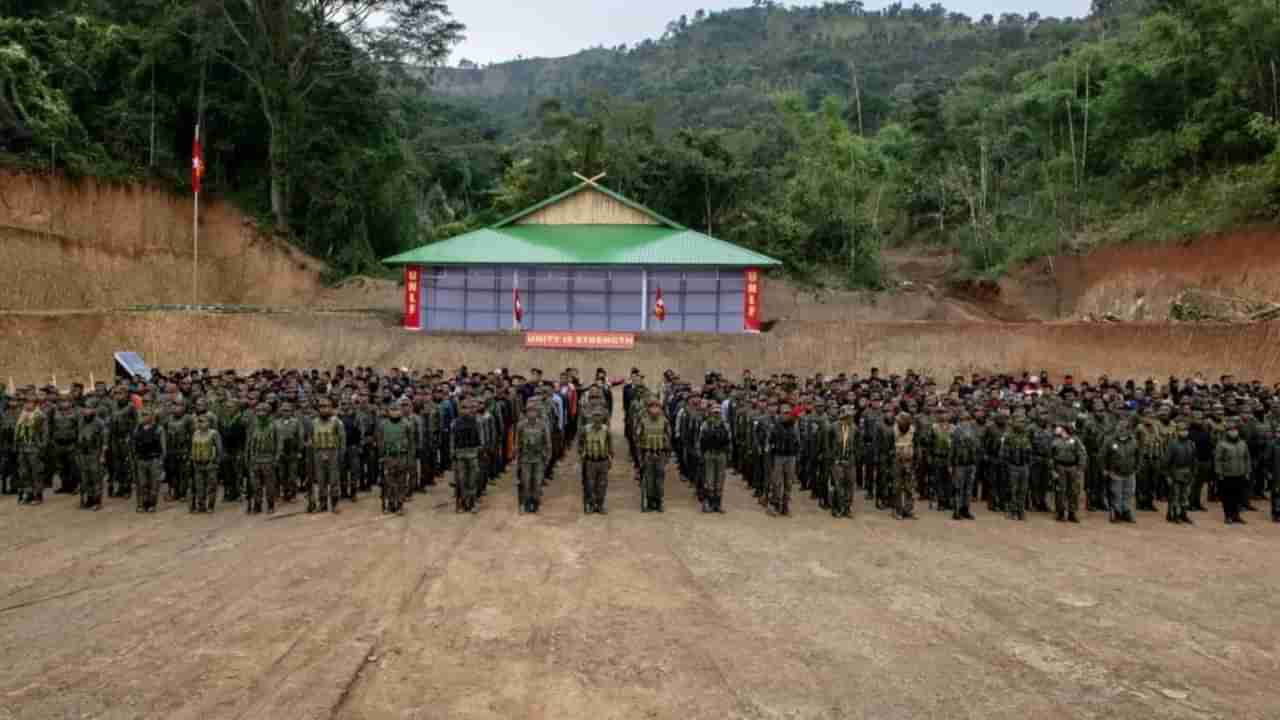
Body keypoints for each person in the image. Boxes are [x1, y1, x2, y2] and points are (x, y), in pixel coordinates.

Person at [310, 397, 346, 513]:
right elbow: (311, 438)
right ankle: (323, 504)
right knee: (320, 481)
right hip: (318, 452)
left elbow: (342, 440)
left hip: (333, 452)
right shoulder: (314, 422)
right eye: (321, 406)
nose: (323, 409)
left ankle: (335, 504)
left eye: (326, 406)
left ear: (331, 407)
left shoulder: (337, 422)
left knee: (334, 480)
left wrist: (341, 455)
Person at [637, 398, 671, 513]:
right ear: (648, 409)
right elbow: (638, 439)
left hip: (660, 454)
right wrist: (640, 457)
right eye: (652, 407)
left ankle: (659, 501)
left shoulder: (664, 421)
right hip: (648, 454)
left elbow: (668, 439)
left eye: (657, 407)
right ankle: (649, 501)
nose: (654, 409)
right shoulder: (643, 421)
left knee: (659, 480)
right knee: (648, 479)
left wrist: (667, 456)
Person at [15, 395, 50, 505]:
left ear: (35, 405)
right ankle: (29, 493)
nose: (27, 405)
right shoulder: (22, 415)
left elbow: (45, 433)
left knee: (36, 472)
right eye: (26, 403)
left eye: (30, 403)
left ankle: (38, 495)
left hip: (34, 448)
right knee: (24, 472)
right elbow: (18, 432)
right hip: (23, 448)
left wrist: (42, 447)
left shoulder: (40, 416)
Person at [1104, 417, 1139, 523]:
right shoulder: (1110, 440)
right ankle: (1116, 512)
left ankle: (1126, 512)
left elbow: (1138, 456)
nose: (1122, 430)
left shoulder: (1133, 441)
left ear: (1129, 430)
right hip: (1115, 472)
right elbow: (1102, 456)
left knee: (1128, 493)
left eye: (1125, 429)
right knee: (1116, 493)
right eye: (1120, 428)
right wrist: (1105, 469)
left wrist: (1136, 468)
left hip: (1130, 472)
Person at [1214, 422, 1250, 525]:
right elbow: (1218, 460)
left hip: (1240, 474)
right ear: (1227, 432)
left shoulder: (1243, 443)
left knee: (1238, 496)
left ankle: (1236, 515)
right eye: (1231, 430)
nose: (1233, 432)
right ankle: (1228, 516)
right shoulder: (1222, 444)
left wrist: (1247, 471)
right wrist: (1219, 473)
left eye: (1235, 430)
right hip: (1227, 475)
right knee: (1227, 497)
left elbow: (1247, 458)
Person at [379, 402, 411, 515]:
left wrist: (410, 459)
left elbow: (411, 443)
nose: (394, 412)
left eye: (396, 409)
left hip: (402, 456)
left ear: (400, 411)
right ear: (388, 412)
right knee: (388, 482)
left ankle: (400, 504)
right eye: (392, 410)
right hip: (388, 457)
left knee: (401, 482)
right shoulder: (383, 424)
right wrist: (381, 457)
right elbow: (380, 441)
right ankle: (390, 503)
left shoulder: (406, 424)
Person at [132, 409, 166, 513]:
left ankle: (152, 504)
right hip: (141, 459)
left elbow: (163, 447)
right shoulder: (138, 428)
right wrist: (135, 457)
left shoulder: (159, 429)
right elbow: (134, 444)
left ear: (152, 417)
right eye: (142, 415)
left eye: (146, 414)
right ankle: (142, 504)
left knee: (154, 484)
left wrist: (161, 461)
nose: (144, 417)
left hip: (154, 459)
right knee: (142, 484)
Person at [698, 406, 731, 514]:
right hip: (709, 454)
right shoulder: (705, 424)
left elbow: (729, 441)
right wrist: (701, 455)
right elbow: (701, 440)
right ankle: (708, 503)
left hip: (721, 454)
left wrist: (729, 455)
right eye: (714, 412)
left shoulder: (725, 425)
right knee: (709, 479)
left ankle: (718, 504)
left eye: (718, 412)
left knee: (720, 480)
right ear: (711, 413)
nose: (716, 414)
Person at [1051, 421, 1085, 523]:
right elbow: (1051, 457)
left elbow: (1082, 454)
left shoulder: (1076, 440)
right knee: (1060, 491)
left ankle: (1072, 513)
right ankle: (1060, 513)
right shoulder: (1056, 441)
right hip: (1060, 467)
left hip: (1072, 468)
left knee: (1074, 491)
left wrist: (1080, 468)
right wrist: (1052, 470)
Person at [578, 410, 611, 514]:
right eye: (595, 416)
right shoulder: (586, 430)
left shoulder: (606, 430)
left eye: (599, 416)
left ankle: (600, 505)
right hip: (590, 461)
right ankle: (591, 505)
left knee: (602, 485)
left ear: (602, 418)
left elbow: (610, 445)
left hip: (603, 461)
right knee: (590, 484)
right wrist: (582, 454)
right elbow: (580, 443)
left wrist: (610, 458)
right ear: (592, 418)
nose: (597, 419)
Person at [190, 414, 223, 513]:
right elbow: (192, 448)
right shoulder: (195, 433)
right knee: (199, 487)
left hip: (210, 464)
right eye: (199, 422)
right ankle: (201, 505)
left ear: (208, 423)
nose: (200, 424)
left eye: (203, 421)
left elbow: (219, 449)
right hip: (197, 464)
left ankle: (210, 506)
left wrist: (217, 462)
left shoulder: (214, 433)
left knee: (211, 486)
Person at [830, 405, 859, 518]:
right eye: (849, 416)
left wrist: (854, 456)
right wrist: (832, 458)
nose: (851, 418)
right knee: (838, 485)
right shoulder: (833, 427)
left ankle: (847, 508)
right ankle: (838, 507)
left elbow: (858, 445)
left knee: (850, 485)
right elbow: (827, 444)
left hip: (850, 461)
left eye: (851, 416)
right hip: (837, 461)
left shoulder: (855, 428)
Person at [76, 405, 107, 510]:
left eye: (89, 409)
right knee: (85, 478)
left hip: (95, 453)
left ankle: (97, 501)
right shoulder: (81, 421)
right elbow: (79, 437)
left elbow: (104, 440)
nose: (87, 411)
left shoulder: (99, 423)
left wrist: (102, 455)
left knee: (96, 478)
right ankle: (88, 499)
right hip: (83, 454)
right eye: (85, 408)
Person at [1165, 421, 1196, 524]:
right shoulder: (1172, 444)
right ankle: (1174, 514)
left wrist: (1193, 473)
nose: (1184, 432)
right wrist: (1168, 476)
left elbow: (1194, 460)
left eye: (1186, 430)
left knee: (1185, 495)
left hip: (1187, 473)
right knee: (1175, 495)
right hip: (1175, 473)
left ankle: (1183, 514)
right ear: (1177, 431)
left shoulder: (1191, 443)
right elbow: (1167, 461)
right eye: (1182, 430)